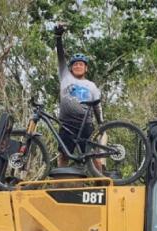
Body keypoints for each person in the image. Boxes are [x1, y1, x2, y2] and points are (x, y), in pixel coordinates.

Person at [54, 23, 103, 167]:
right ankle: (60, 181)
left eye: (81, 64)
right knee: (63, 155)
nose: (78, 66)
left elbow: (97, 106)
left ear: (86, 68)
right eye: (75, 64)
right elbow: (60, 56)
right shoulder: (65, 77)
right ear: (70, 68)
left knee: (94, 156)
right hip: (66, 124)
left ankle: (100, 179)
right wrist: (58, 37)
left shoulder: (91, 85)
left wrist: (101, 125)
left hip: (86, 125)